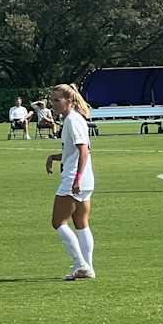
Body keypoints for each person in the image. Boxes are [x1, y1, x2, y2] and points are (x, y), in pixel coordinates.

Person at [44, 84, 95, 281]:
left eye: (57, 100)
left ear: (69, 101)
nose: (54, 104)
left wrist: (77, 179)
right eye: (53, 100)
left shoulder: (73, 121)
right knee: (81, 223)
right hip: (84, 178)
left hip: (75, 178)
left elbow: (83, 151)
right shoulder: (74, 120)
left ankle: (80, 264)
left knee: (58, 222)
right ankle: (87, 267)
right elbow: (71, 152)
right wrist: (53, 157)